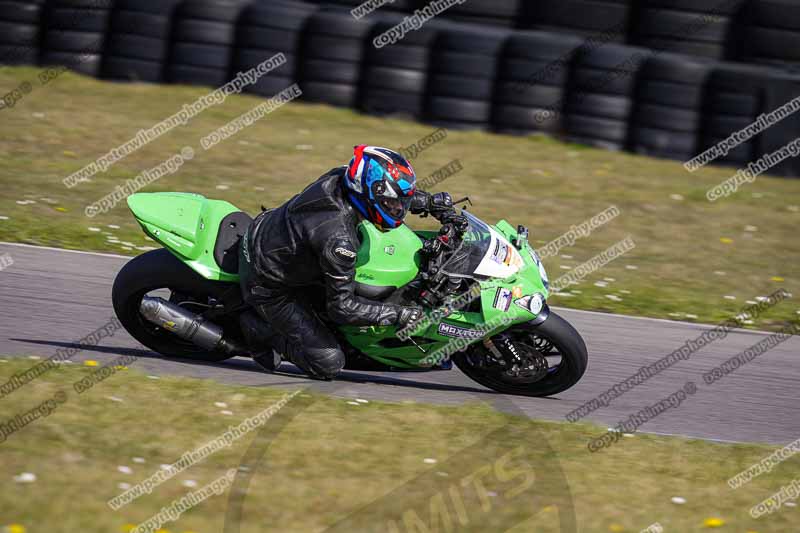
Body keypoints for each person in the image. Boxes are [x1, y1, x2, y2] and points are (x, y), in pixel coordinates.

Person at [238, 145, 462, 380]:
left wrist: (428, 202)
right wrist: (400, 315)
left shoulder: (342, 177)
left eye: (399, 203)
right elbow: (342, 308)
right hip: (267, 284)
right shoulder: (339, 241)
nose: (398, 209)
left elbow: (385, 194)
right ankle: (258, 329)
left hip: (272, 232)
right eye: (392, 204)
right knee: (329, 364)